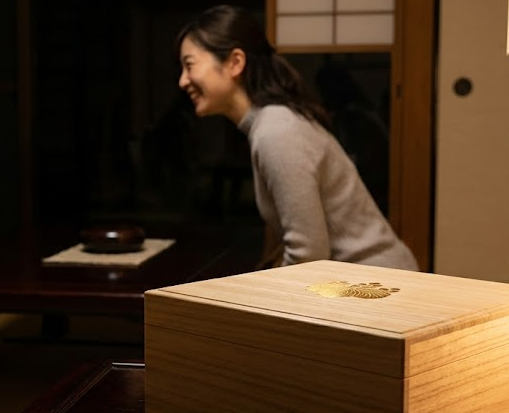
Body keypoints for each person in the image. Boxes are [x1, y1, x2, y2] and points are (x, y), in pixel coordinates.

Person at [176, 5, 418, 271]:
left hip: (376, 282)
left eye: (190, 65)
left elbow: (308, 255)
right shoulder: (270, 124)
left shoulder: (277, 131)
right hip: (353, 279)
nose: (183, 81)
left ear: (235, 62)